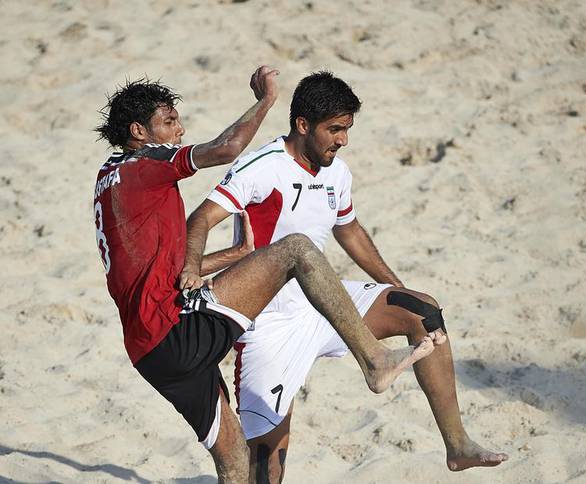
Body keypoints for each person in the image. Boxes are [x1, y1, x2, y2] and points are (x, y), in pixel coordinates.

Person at [93, 66, 434, 483]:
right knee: (296, 251)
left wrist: (234, 254)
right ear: (138, 132)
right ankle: (375, 359)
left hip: (151, 350)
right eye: (169, 122)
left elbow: (159, 271)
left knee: (234, 457)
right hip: (175, 329)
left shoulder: (109, 179)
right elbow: (225, 148)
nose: (180, 130)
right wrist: (266, 100)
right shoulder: (145, 163)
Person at [184, 71, 508, 483]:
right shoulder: (263, 167)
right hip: (269, 324)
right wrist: (191, 268)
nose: (343, 140)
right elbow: (201, 218)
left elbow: (349, 230)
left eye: (347, 129)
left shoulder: (337, 171)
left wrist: (396, 286)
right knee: (266, 465)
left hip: (325, 302)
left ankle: (458, 445)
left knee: (421, 309)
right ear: (303, 125)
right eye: (334, 129)